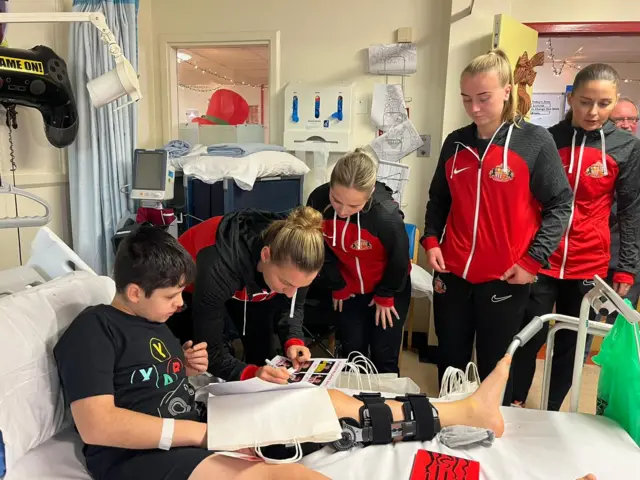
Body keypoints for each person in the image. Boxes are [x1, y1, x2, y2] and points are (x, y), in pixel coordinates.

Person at [54, 225, 524, 480]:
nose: (181, 304)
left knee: (328, 402)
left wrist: (190, 367)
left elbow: (174, 377)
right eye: (172, 296)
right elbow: (100, 425)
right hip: (138, 457)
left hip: (207, 417)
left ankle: (468, 410)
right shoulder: (93, 328)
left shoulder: (152, 324)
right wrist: (202, 436)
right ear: (133, 292)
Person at [421, 49, 573, 405]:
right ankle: (447, 422)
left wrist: (532, 261)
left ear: (507, 91)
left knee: (495, 363)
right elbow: (438, 199)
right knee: (451, 360)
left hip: (504, 277)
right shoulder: (455, 142)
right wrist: (431, 241)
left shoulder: (534, 141)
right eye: (466, 99)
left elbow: (560, 204)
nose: (474, 108)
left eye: (483, 98)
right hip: (452, 272)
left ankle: (492, 429)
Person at [511, 64, 640, 411]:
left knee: (572, 343)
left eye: (604, 103)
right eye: (585, 102)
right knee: (527, 334)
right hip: (542, 256)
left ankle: (552, 408)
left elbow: (631, 211)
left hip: (589, 261)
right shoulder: (547, 139)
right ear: (571, 98)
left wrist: (627, 268)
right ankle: (515, 401)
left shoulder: (626, 148)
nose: (594, 112)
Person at [169, 207, 320, 384]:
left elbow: (293, 306)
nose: (291, 292)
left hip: (249, 278)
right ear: (265, 255)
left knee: (263, 356)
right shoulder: (218, 267)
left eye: (301, 286)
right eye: (286, 283)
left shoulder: (300, 258)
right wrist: (250, 374)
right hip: (192, 285)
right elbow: (211, 353)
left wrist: (294, 340)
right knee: (199, 359)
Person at [307, 148, 411, 374]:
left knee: (384, 355)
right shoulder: (317, 199)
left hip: (387, 290)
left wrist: (386, 294)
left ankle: (386, 407)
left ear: (370, 192)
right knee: (353, 355)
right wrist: (337, 284)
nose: (343, 211)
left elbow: (400, 259)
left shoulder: (385, 215)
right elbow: (318, 248)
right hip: (348, 289)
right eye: (336, 200)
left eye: (354, 206)